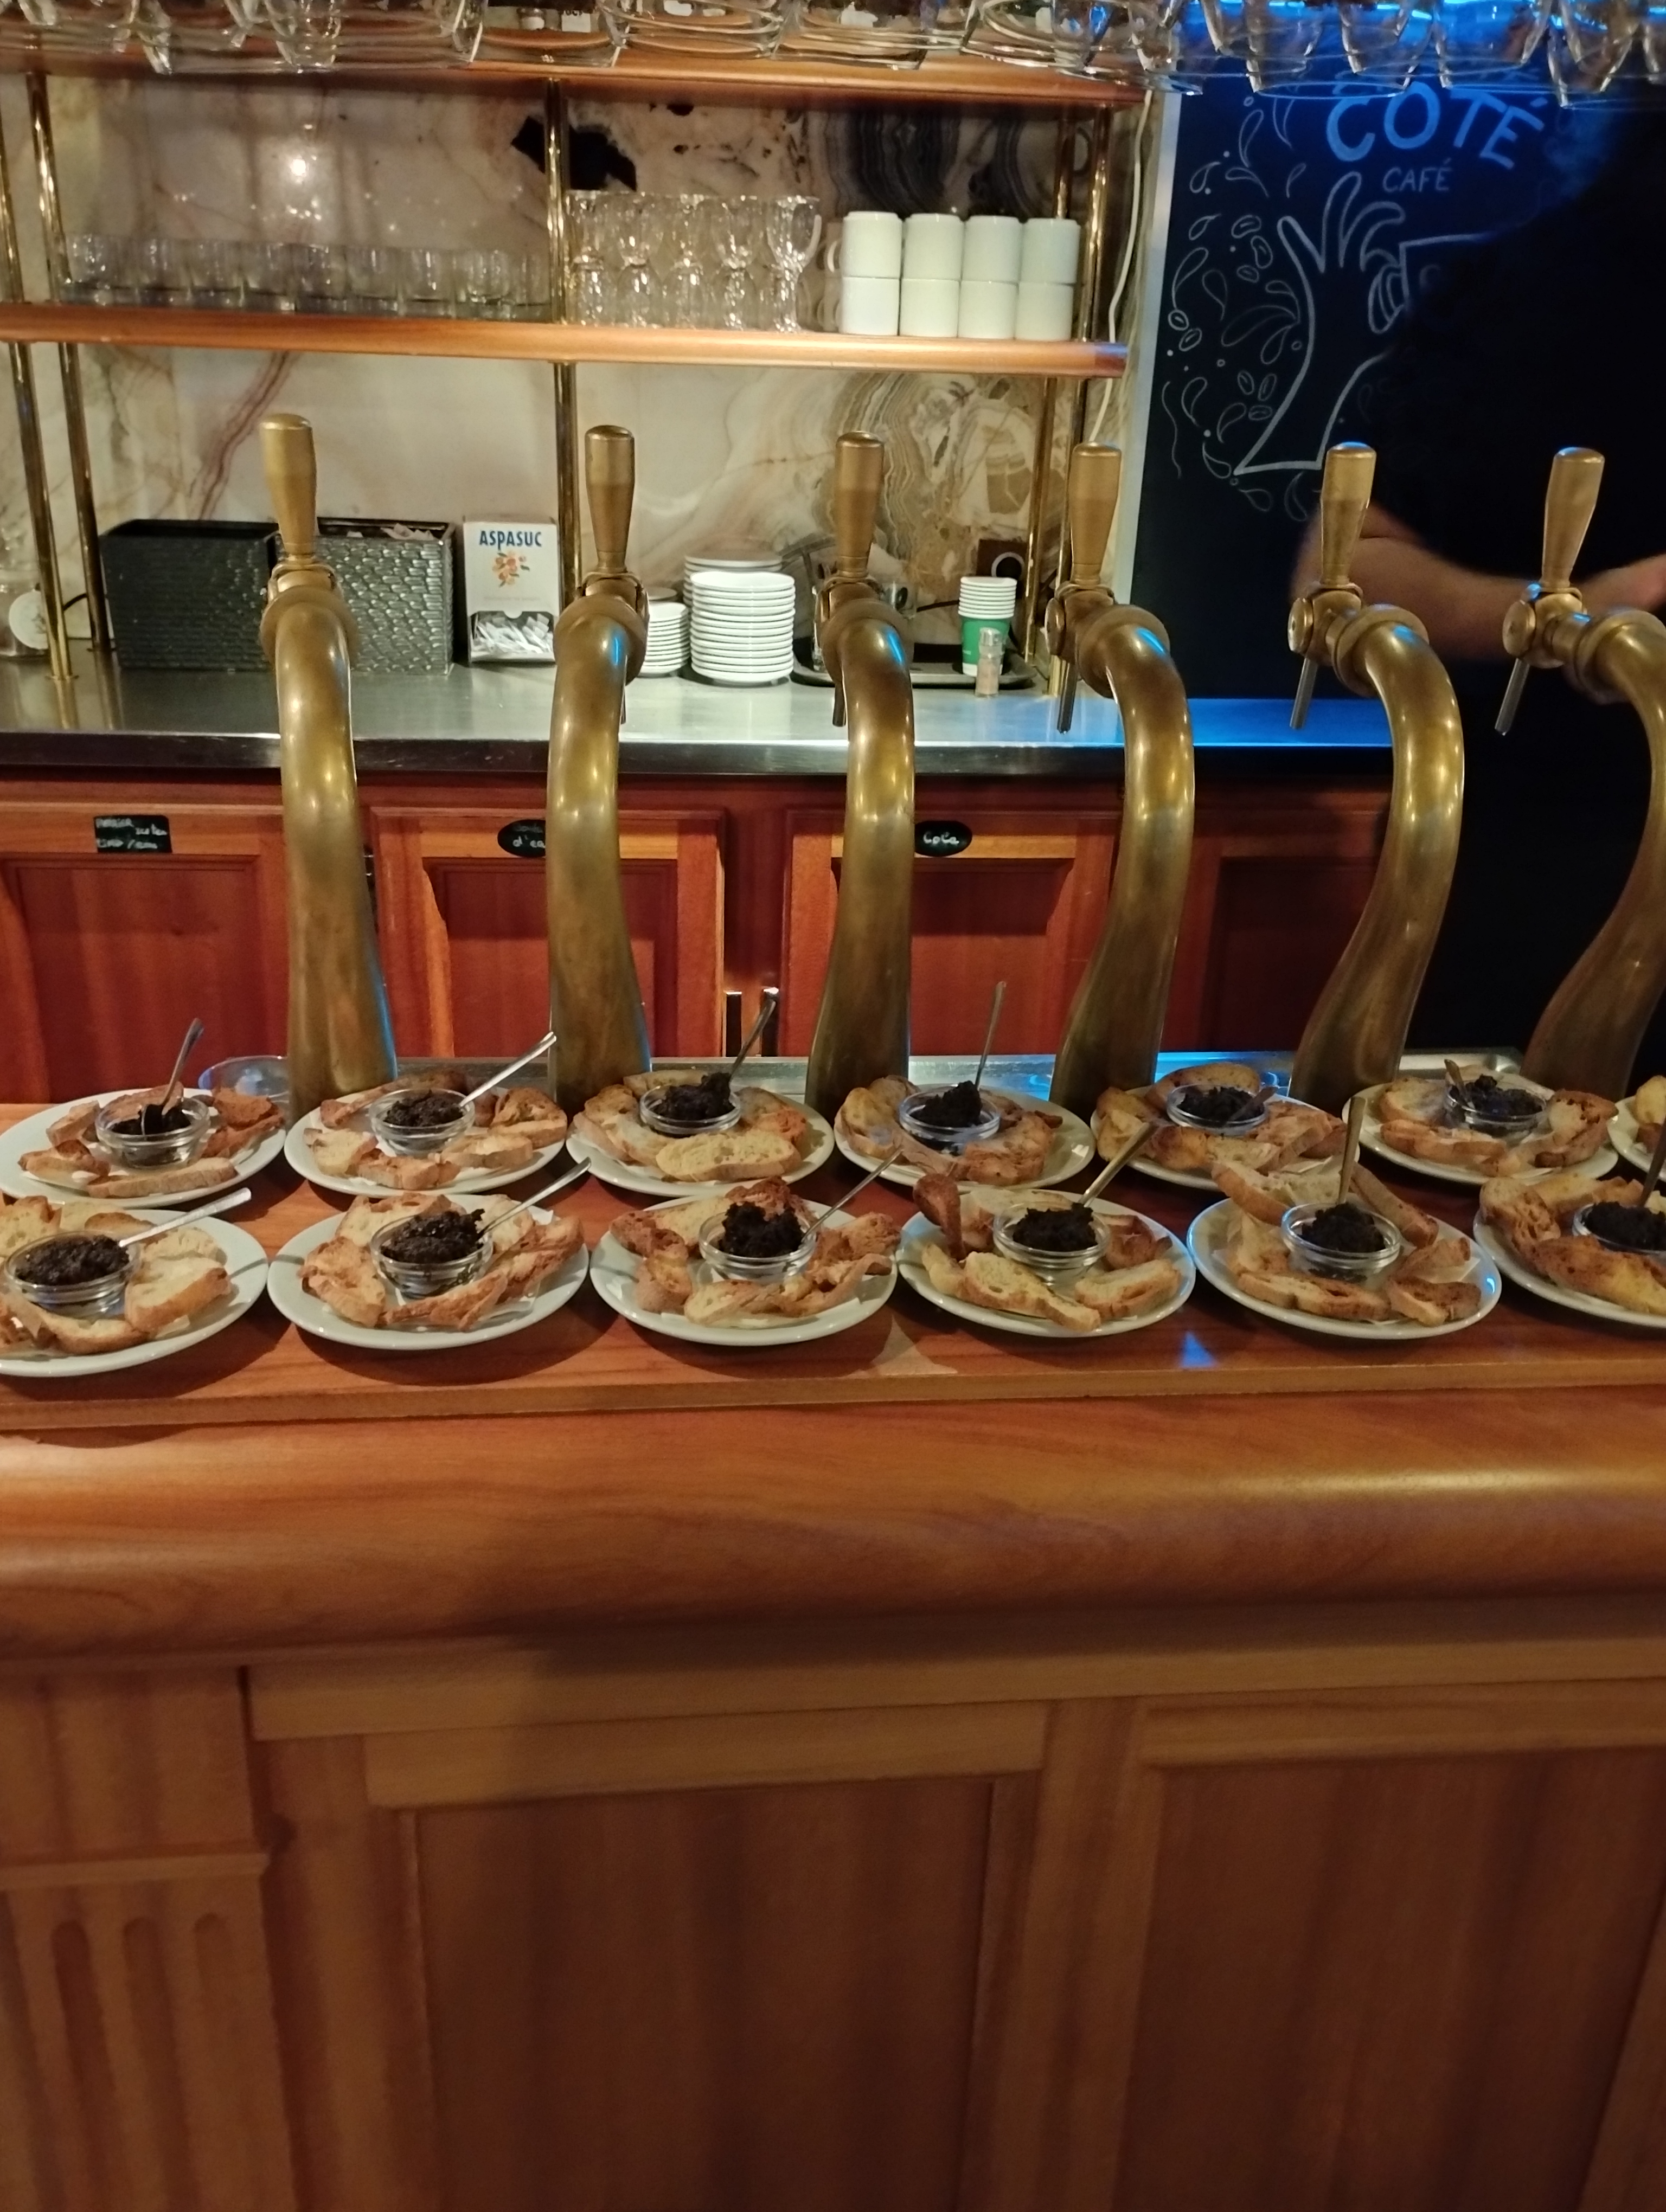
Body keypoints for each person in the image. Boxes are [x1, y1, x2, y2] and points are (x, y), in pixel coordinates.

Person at [1293, 105, 1666, 1080]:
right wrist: (1566, 614)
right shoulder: (1535, 294)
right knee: (1475, 1153)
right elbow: (1341, 570)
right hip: (1538, 863)